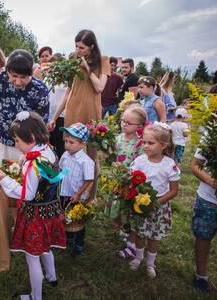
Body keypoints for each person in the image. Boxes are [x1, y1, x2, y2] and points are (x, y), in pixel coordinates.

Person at [0, 111, 66, 300]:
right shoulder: (48, 151)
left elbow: (27, 194)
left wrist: (4, 180)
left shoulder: (33, 163)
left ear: (31, 138)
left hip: (34, 215)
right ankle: (52, 276)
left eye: (17, 140)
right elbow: (49, 176)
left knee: (32, 256)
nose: (15, 144)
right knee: (46, 247)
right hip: (50, 210)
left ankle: (36, 296)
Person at [50, 29, 111, 201]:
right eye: (76, 47)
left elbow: (99, 88)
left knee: (91, 157)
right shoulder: (73, 61)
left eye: (82, 48)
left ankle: (90, 197)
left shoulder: (103, 61)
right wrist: (54, 118)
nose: (78, 51)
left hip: (91, 111)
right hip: (73, 110)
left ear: (92, 46)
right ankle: (69, 193)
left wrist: (87, 69)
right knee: (69, 152)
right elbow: (68, 92)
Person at [129, 123, 180, 278]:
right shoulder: (139, 161)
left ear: (163, 145)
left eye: (150, 143)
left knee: (153, 236)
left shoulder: (169, 165)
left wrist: (155, 203)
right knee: (139, 233)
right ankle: (138, 257)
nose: (145, 146)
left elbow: (174, 190)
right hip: (140, 204)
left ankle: (150, 263)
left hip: (159, 206)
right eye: (144, 142)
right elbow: (132, 181)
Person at [0, 49, 49, 167]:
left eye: (23, 77)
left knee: (23, 181)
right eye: (14, 76)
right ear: (8, 71)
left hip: (26, 145)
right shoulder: (2, 79)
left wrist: (29, 151)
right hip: (4, 140)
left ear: (31, 73)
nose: (18, 82)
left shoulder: (40, 89)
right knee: (2, 176)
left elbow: (41, 124)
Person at [115, 106, 147, 259]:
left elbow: (141, 167)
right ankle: (124, 230)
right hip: (117, 181)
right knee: (119, 209)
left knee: (130, 213)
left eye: (129, 122)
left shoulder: (140, 144)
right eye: (122, 121)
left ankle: (131, 244)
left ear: (139, 126)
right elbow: (113, 156)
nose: (124, 124)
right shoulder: (118, 138)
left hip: (131, 184)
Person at [59, 123, 94, 257]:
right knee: (66, 216)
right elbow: (62, 170)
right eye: (66, 141)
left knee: (78, 220)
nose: (67, 145)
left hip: (77, 195)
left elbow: (89, 179)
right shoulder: (65, 155)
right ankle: (68, 238)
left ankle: (79, 243)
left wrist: (78, 194)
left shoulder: (85, 161)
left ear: (82, 144)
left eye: (71, 142)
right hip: (64, 192)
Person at [190, 124, 217, 294]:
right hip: (209, 199)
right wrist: (211, 181)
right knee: (203, 236)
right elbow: (195, 166)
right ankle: (201, 276)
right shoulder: (212, 131)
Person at [47, 53, 68, 158]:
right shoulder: (49, 80)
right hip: (49, 116)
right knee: (50, 143)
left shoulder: (67, 82)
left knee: (60, 144)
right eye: (52, 65)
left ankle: (62, 167)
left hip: (61, 117)